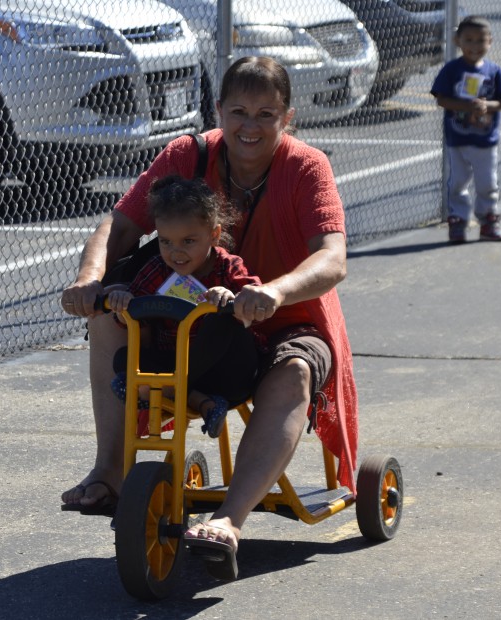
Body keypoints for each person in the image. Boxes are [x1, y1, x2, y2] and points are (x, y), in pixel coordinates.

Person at [60, 56, 359, 580]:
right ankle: (109, 469)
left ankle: (228, 519)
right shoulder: (187, 155)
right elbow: (120, 225)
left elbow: (332, 258)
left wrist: (273, 291)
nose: (250, 125)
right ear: (218, 110)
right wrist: (90, 280)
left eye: (266, 113)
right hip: (190, 319)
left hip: (285, 317)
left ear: (287, 118)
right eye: (238, 111)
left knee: (295, 371)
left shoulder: (307, 166)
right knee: (111, 314)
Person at [105, 175, 261, 440]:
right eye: (166, 242)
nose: (176, 252)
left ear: (214, 234)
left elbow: (255, 298)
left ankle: (160, 389)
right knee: (124, 359)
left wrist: (232, 296)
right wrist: (122, 303)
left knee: (219, 320)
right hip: (177, 369)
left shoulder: (227, 266)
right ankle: (201, 401)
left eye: (188, 241)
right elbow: (134, 308)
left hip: (225, 374)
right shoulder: (158, 268)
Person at [430, 15, 501, 244]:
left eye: (481, 41)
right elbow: (442, 100)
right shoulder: (452, 70)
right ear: (458, 41)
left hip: (485, 141)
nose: (475, 46)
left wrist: (487, 105)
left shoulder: (494, 71)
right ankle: (458, 221)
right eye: (469, 40)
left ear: (490, 42)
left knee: (487, 183)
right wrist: (466, 106)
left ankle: (488, 221)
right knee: (457, 182)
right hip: (457, 139)